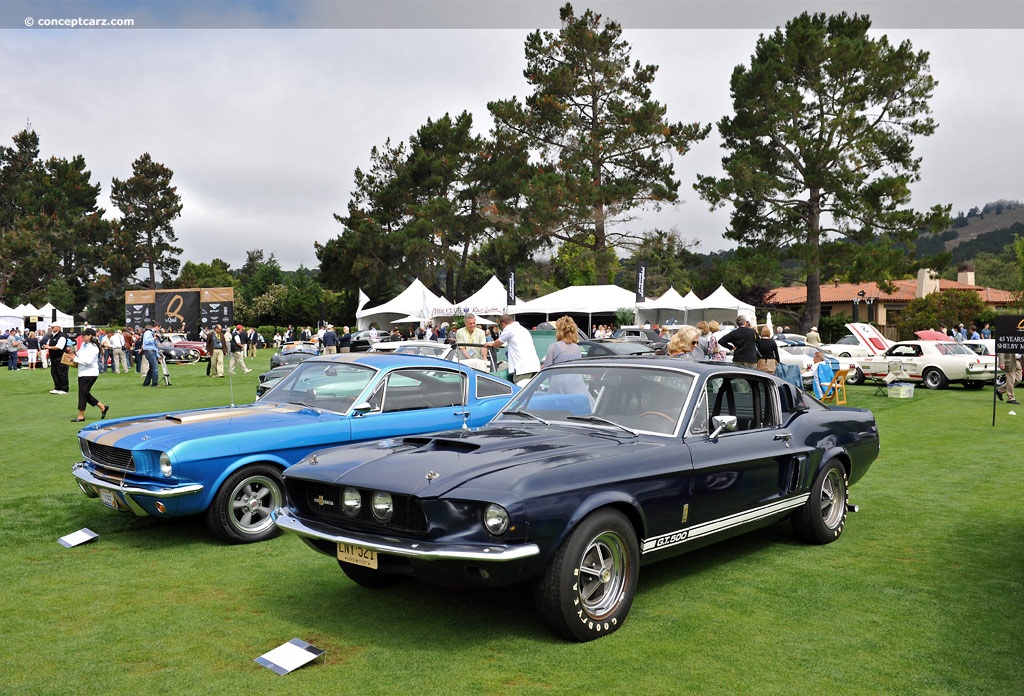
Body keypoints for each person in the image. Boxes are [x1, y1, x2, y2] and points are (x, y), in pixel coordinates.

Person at [485, 314, 541, 386]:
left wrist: (491, 344)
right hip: (534, 367)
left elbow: (498, 343)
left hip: (522, 369)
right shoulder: (523, 329)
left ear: (503, 324)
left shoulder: (509, 329)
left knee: (520, 392)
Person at [71, 327, 109, 422]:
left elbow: (88, 361)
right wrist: (74, 355)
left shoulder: (94, 347)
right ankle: (102, 407)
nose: (82, 336)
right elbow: (79, 355)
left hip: (90, 373)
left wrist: (75, 359)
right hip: (82, 372)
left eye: (84, 335)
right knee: (85, 393)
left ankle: (81, 415)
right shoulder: (84, 344)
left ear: (90, 336)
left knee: (82, 394)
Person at [45, 324, 71, 394]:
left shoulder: (62, 336)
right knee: (54, 373)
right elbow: (48, 344)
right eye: (51, 327)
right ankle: (57, 387)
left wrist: (49, 347)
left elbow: (59, 347)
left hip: (61, 357)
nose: (52, 328)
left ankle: (64, 389)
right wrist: (47, 346)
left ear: (59, 328)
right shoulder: (52, 336)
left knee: (62, 373)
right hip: (53, 358)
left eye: (53, 326)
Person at [140, 322, 162, 387]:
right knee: (155, 368)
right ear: (157, 326)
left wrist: (158, 355)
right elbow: (146, 341)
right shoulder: (148, 333)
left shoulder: (153, 333)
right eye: (159, 329)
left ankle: (146, 383)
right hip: (149, 351)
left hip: (152, 351)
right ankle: (155, 384)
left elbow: (155, 346)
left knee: (152, 368)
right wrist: (154, 338)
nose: (158, 331)